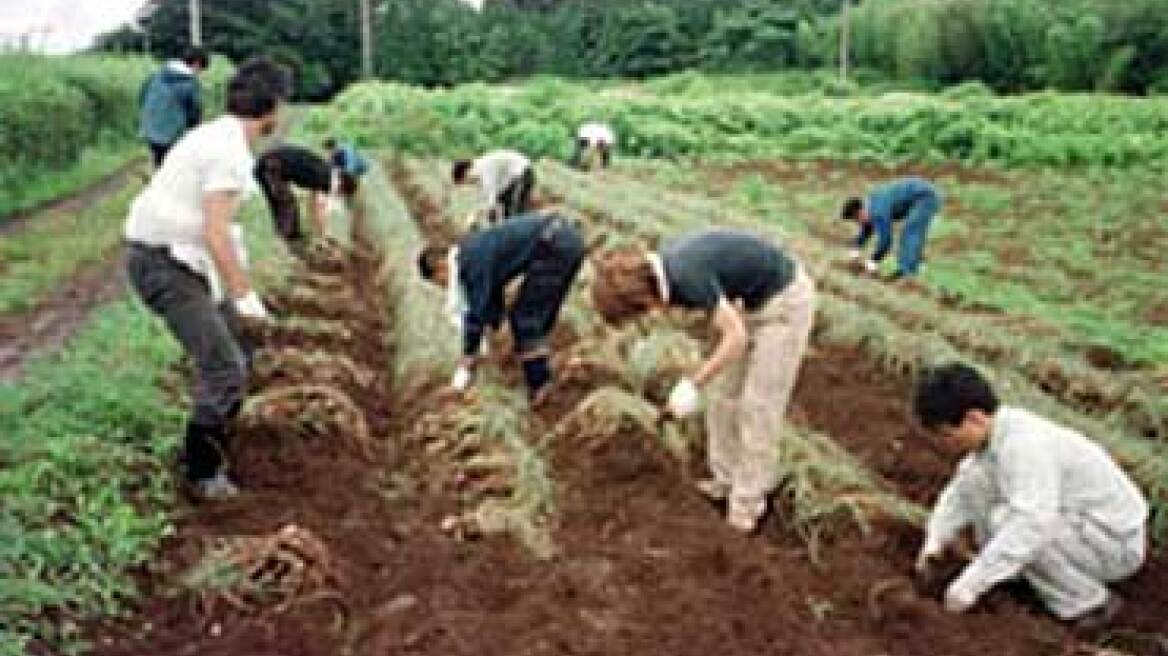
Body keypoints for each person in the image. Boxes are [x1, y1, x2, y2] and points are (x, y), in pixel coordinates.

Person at [124, 57, 292, 500]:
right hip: (164, 263)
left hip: (181, 255)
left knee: (239, 349)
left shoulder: (216, 134)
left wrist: (238, 296)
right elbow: (217, 234)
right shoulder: (229, 154)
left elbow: (216, 235)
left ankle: (225, 443)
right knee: (224, 368)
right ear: (273, 107)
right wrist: (245, 295)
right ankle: (202, 472)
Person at [591, 230, 817, 532]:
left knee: (758, 408)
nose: (647, 316)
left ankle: (746, 506)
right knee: (724, 397)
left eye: (639, 312)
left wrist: (693, 383)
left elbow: (734, 338)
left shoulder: (686, 275)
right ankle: (725, 480)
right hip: (750, 306)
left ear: (643, 297)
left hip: (785, 306)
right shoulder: (668, 271)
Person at [913, 362, 1147, 626]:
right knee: (979, 483)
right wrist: (933, 544)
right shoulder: (991, 442)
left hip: (1114, 545)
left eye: (947, 434)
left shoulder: (1024, 446)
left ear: (974, 418)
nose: (945, 444)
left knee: (1012, 521)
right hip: (1079, 530)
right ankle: (1027, 574)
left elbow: (1032, 524)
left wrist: (969, 586)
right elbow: (959, 493)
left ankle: (1089, 603)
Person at [416, 212, 586, 403]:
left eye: (439, 282)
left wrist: (468, 356)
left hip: (555, 247)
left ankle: (541, 386)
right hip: (565, 240)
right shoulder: (470, 252)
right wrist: (495, 327)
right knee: (535, 315)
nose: (444, 286)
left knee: (525, 319)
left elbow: (476, 311)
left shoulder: (469, 263)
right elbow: (491, 297)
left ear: (440, 267)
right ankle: (542, 369)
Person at [254, 141, 367, 246]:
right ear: (342, 186)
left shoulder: (327, 172)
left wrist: (320, 233)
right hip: (272, 165)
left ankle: (288, 238)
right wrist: (324, 235)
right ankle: (290, 241)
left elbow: (313, 205)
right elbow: (318, 207)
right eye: (341, 194)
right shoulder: (324, 177)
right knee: (286, 203)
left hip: (268, 164)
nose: (338, 196)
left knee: (280, 203)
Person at [840, 177, 941, 280]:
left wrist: (873, 262)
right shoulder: (871, 206)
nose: (857, 224)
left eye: (856, 220)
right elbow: (867, 228)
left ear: (860, 213)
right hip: (919, 194)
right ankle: (910, 267)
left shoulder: (878, 211)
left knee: (911, 232)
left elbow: (886, 241)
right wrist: (855, 249)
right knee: (910, 232)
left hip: (925, 196)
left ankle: (907, 274)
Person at [139, 46, 209, 167]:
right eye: (201, 70)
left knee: (159, 166)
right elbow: (194, 115)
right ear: (197, 64)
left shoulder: (156, 75)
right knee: (177, 170)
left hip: (150, 130)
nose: (199, 73)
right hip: (173, 136)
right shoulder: (190, 84)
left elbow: (142, 96)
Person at [452, 149, 534, 224]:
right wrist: (475, 215)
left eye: (465, 181)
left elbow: (491, 192)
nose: (468, 184)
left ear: (465, 172)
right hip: (509, 181)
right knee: (503, 211)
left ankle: (525, 234)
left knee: (515, 210)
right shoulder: (478, 177)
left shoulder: (483, 166)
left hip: (522, 172)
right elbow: (482, 198)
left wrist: (478, 214)